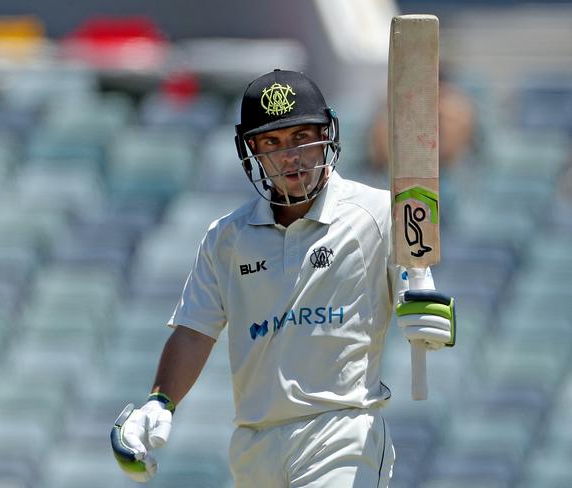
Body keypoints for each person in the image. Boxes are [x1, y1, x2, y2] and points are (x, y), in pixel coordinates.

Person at [111, 69, 456, 487]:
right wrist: (159, 402)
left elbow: (421, 293)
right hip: (254, 446)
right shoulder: (228, 237)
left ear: (326, 136)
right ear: (252, 151)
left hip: (341, 434)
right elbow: (193, 332)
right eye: (272, 143)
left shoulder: (379, 214)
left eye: (301, 137)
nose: (290, 156)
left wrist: (430, 318)